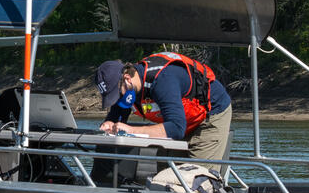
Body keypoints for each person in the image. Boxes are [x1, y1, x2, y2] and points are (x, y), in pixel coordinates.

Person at [96, 52, 233, 162]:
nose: (118, 99)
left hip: (210, 114)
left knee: (197, 178)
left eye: (117, 93)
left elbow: (176, 128)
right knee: (164, 169)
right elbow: (117, 113)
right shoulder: (129, 90)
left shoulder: (162, 81)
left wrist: (132, 130)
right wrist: (109, 123)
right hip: (181, 118)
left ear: (127, 78)